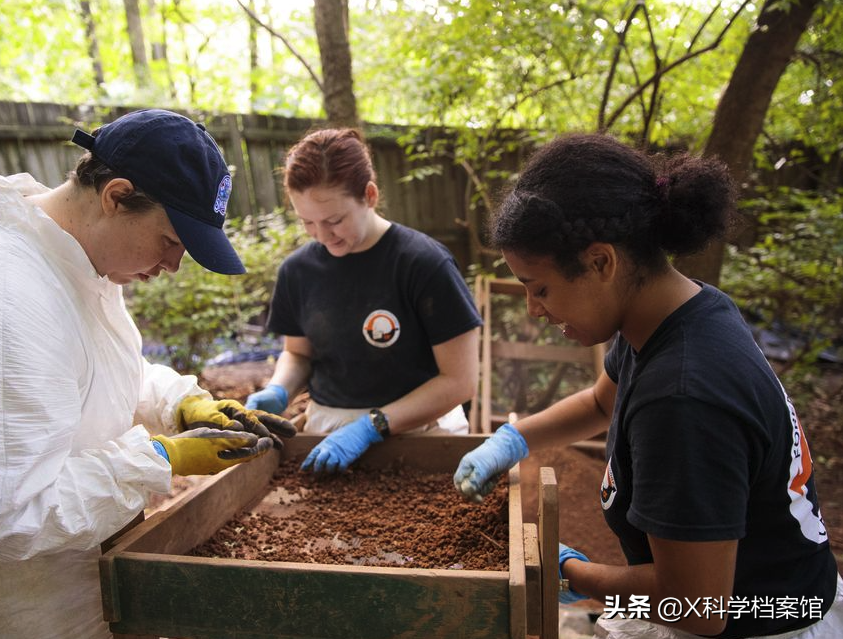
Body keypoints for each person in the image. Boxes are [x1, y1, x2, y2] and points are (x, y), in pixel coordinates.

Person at [0, 108, 296, 639]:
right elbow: (1, 516)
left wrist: (179, 403)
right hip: (22, 610)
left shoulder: (74, 259)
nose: (173, 265)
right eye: (171, 241)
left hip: (76, 576)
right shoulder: (0, 296)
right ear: (116, 196)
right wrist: (160, 457)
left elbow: (93, 370)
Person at [453, 133, 841, 638]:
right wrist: (513, 440)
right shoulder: (675, 313)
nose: (534, 309)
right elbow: (600, 401)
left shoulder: (683, 398)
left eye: (540, 288)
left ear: (600, 262)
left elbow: (698, 608)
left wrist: (566, 570)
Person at [245, 128, 482, 473]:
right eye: (307, 222)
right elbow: (298, 353)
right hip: (328, 434)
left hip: (423, 434)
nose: (322, 236)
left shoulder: (424, 264)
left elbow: (460, 381)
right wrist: (279, 389)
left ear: (369, 195)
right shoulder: (297, 271)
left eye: (334, 220)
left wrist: (373, 426)